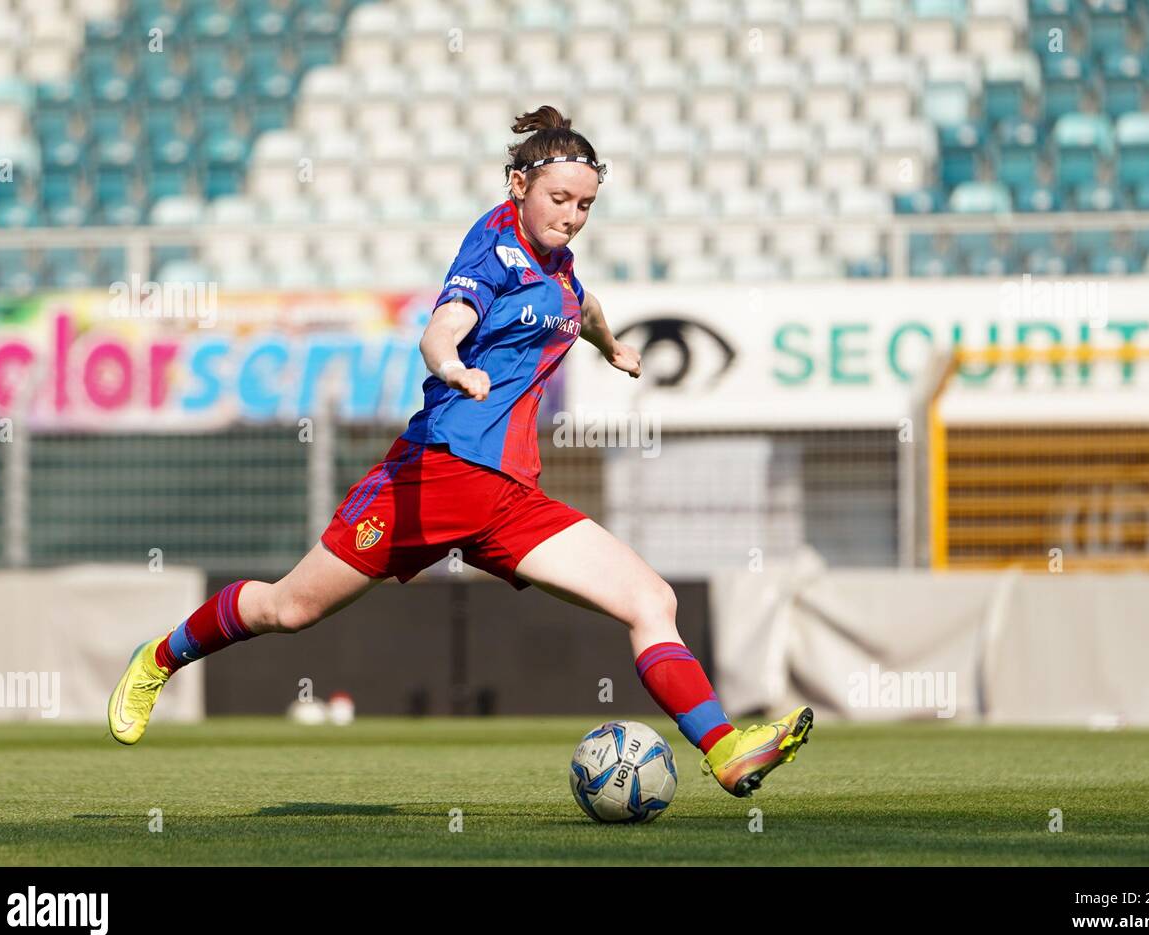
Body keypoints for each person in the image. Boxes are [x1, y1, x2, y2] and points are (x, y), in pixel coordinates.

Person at [108, 106, 811, 797]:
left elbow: (582, 305)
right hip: (435, 477)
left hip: (509, 499)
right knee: (287, 610)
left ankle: (724, 749)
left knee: (650, 600)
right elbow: (442, 327)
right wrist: (451, 366)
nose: (571, 215)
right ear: (517, 186)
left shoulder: (558, 268)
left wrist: (612, 344)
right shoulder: (494, 253)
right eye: (559, 199)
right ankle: (159, 659)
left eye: (586, 204)